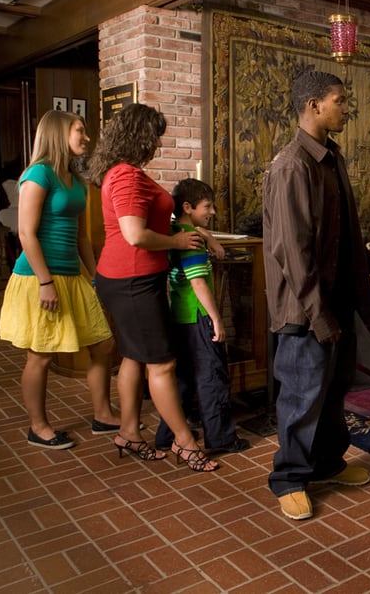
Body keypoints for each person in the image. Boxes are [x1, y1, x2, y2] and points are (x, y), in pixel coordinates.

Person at [263, 70, 370, 520]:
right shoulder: (292, 166)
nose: (347, 108)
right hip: (306, 309)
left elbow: (340, 234)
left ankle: (328, 463)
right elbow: (293, 252)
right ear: (314, 105)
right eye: (340, 100)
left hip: (335, 301)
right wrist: (319, 315)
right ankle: (289, 478)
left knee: (333, 390)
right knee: (302, 395)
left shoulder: (331, 157)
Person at [88, 103, 219, 472]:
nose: (157, 144)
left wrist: (200, 233)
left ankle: (129, 433)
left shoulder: (120, 172)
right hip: (133, 281)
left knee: (133, 356)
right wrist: (176, 243)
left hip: (125, 278)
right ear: (140, 136)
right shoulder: (127, 176)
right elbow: (135, 234)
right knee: (162, 364)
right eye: (155, 137)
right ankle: (184, 442)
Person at [0, 110, 119, 449]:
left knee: (103, 344)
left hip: (72, 275)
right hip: (40, 276)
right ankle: (38, 427)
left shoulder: (75, 179)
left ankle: (103, 415)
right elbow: (26, 233)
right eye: (80, 130)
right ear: (58, 133)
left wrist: (95, 276)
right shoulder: (38, 174)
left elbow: (81, 237)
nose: (87, 137)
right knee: (41, 355)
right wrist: (45, 282)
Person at [153, 178, 251, 456]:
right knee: (213, 378)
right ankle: (221, 439)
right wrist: (216, 319)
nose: (212, 211)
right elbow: (198, 282)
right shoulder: (192, 241)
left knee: (183, 379)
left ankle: (167, 435)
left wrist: (209, 236)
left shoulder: (175, 231)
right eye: (207, 206)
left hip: (180, 315)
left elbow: (194, 229)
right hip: (199, 315)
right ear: (188, 206)